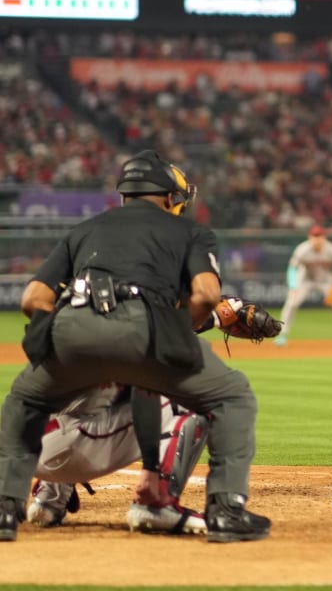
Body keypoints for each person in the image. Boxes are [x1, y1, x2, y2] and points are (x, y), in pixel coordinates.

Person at [0, 149, 269, 543]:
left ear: (125, 195)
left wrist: (61, 336)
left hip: (70, 330)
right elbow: (208, 293)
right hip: (143, 333)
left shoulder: (84, 230)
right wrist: (183, 328)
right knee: (230, 396)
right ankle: (217, 509)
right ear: (169, 198)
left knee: (25, 399)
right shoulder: (189, 231)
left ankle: (7, 509)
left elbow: (32, 300)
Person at [29, 383, 208, 534]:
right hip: (70, 446)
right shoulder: (129, 343)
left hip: (32, 445)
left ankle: (50, 496)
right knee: (196, 395)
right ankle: (157, 502)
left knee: (93, 395)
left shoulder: (57, 341)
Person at [275, 226, 332, 347]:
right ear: (310, 237)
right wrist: (293, 286)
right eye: (314, 236)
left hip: (326, 280)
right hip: (305, 280)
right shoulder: (302, 249)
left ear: (324, 238)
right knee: (292, 303)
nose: (317, 239)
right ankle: (282, 335)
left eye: (319, 236)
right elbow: (292, 268)